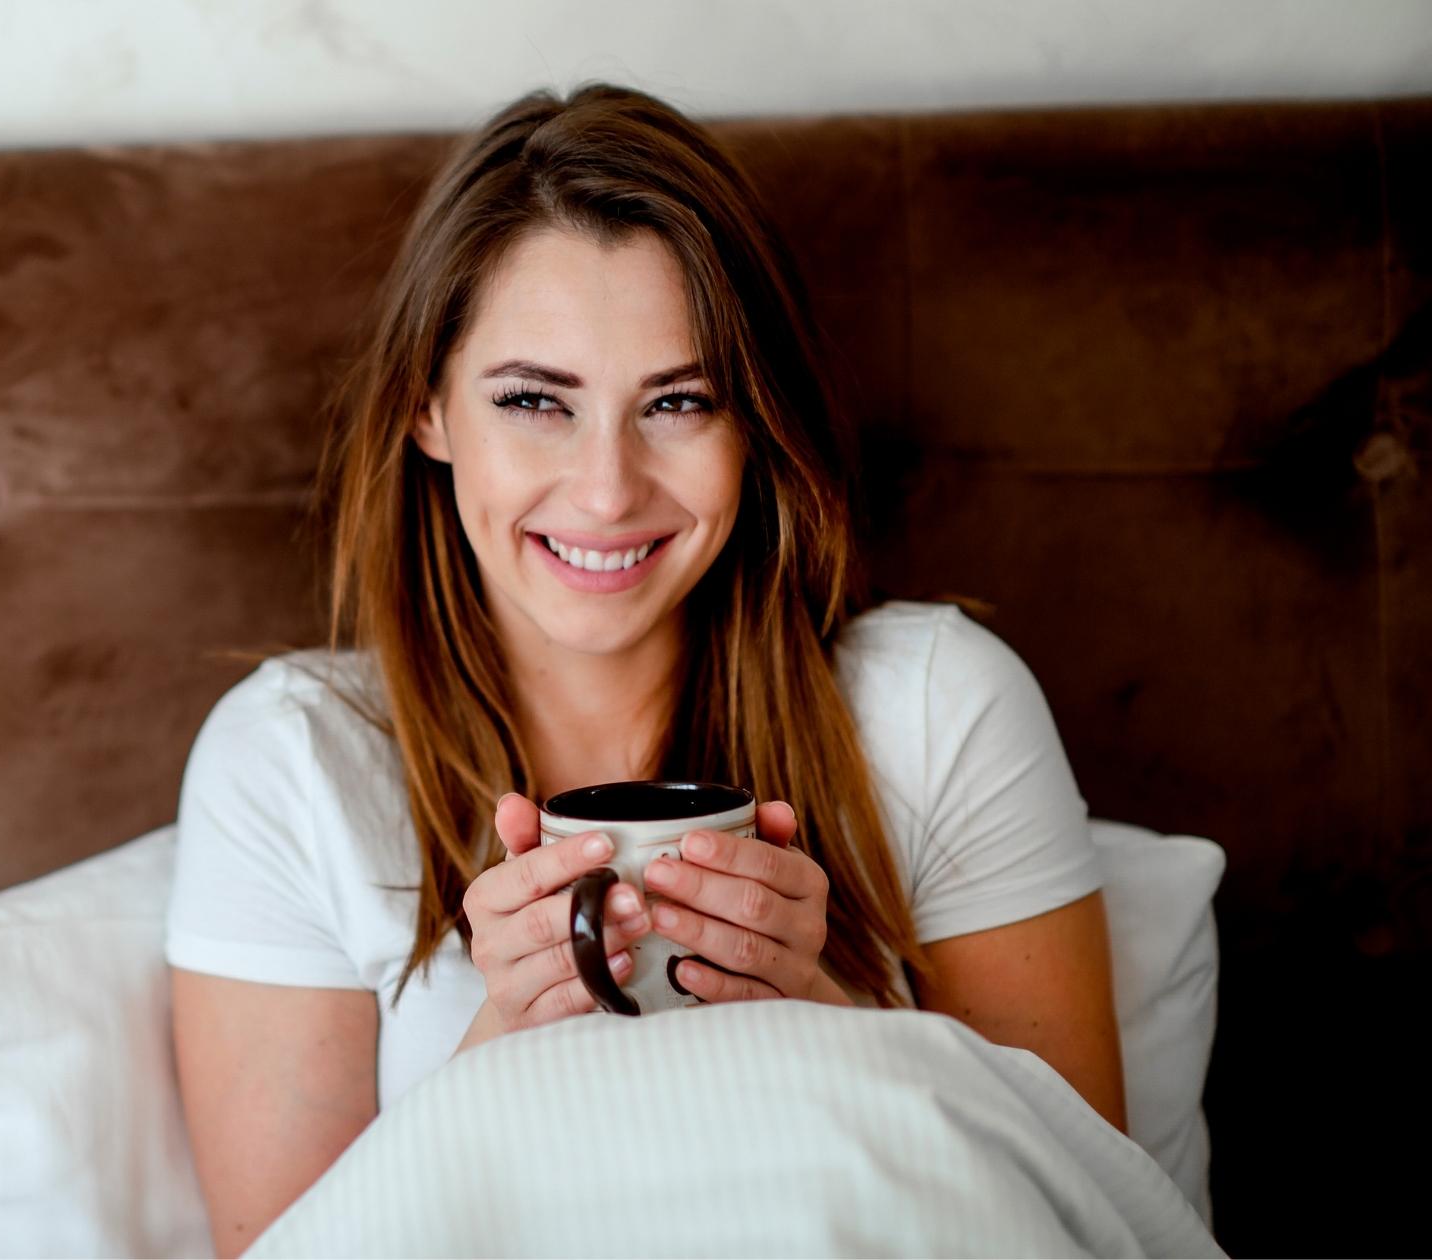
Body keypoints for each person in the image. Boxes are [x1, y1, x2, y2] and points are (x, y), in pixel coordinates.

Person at [165, 82, 1126, 1258]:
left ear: (752, 423)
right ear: (425, 407)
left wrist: (820, 1015)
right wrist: (503, 1040)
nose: (608, 489)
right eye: (533, 401)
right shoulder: (291, 765)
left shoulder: (938, 707)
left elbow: (1092, 1216)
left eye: (676, 402)